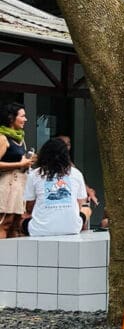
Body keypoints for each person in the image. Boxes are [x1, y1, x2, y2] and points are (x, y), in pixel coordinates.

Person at [22, 137, 91, 237]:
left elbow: (29, 206)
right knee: (87, 209)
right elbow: (81, 203)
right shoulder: (76, 173)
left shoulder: (35, 174)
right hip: (72, 228)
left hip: (39, 230)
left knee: (21, 218)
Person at [0, 102, 35, 239]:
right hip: (7, 183)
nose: (25, 119)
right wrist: (19, 164)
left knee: (16, 223)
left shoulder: (20, 138)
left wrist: (27, 162)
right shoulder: (3, 138)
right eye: (22, 116)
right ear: (11, 118)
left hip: (20, 183)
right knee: (5, 222)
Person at [54, 133, 99, 208]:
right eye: (63, 144)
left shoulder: (69, 163)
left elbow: (77, 179)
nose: (66, 146)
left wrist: (89, 190)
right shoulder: (46, 162)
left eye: (68, 144)